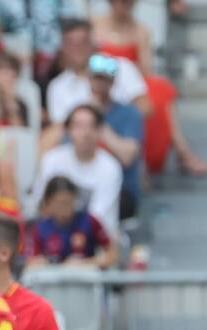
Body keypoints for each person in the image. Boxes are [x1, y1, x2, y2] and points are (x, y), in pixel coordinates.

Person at [92, 0, 207, 174]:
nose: (123, 6)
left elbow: (146, 70)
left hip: (129, 81)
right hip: (101, 80)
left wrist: (128, 75)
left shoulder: (141, 30)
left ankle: (182, 151)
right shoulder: (95, 24)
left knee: (162, 90)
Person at [32, 104, 124, 237]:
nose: (85, 133)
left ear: (99, 131)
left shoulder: (110, 167)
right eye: (78, 126)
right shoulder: (51, 160)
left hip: (94, 240)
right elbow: (40, 201)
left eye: (91, 126)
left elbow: (99, 216)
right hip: (53, 236)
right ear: (68, 130)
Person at [45, 19, 147, 125]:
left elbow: (145, 109)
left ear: (93, 43)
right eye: (71, 43)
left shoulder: (118, 66)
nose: (78, 48)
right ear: (63, 47)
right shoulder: (57, 86)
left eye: (83, 42)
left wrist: (111, 108)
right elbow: (60, 128)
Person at [87, 54, 143, 217]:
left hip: (121, 190)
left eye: (104, 79)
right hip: (84, 185)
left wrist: (96, 119)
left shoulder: (130, 114)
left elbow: (127, 157)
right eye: (96, 78)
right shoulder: (77, 113)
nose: (100, 84)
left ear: (113, 81)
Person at [27, 175, 117, 268]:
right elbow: (30, 261)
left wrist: (86, 263)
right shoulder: (40, 228)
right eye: (60, 203)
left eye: (69, 202)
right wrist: (43, 263)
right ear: (49, 203)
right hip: (51, 279)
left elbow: (112, 255)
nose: (65, 208)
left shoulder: (89, 221)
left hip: (85, 278)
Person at [0, 52, 28, 127]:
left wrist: (10, 101)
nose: (6, 77)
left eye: (10, 71)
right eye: (1, 71)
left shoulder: (21, 102)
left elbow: (20, 131)